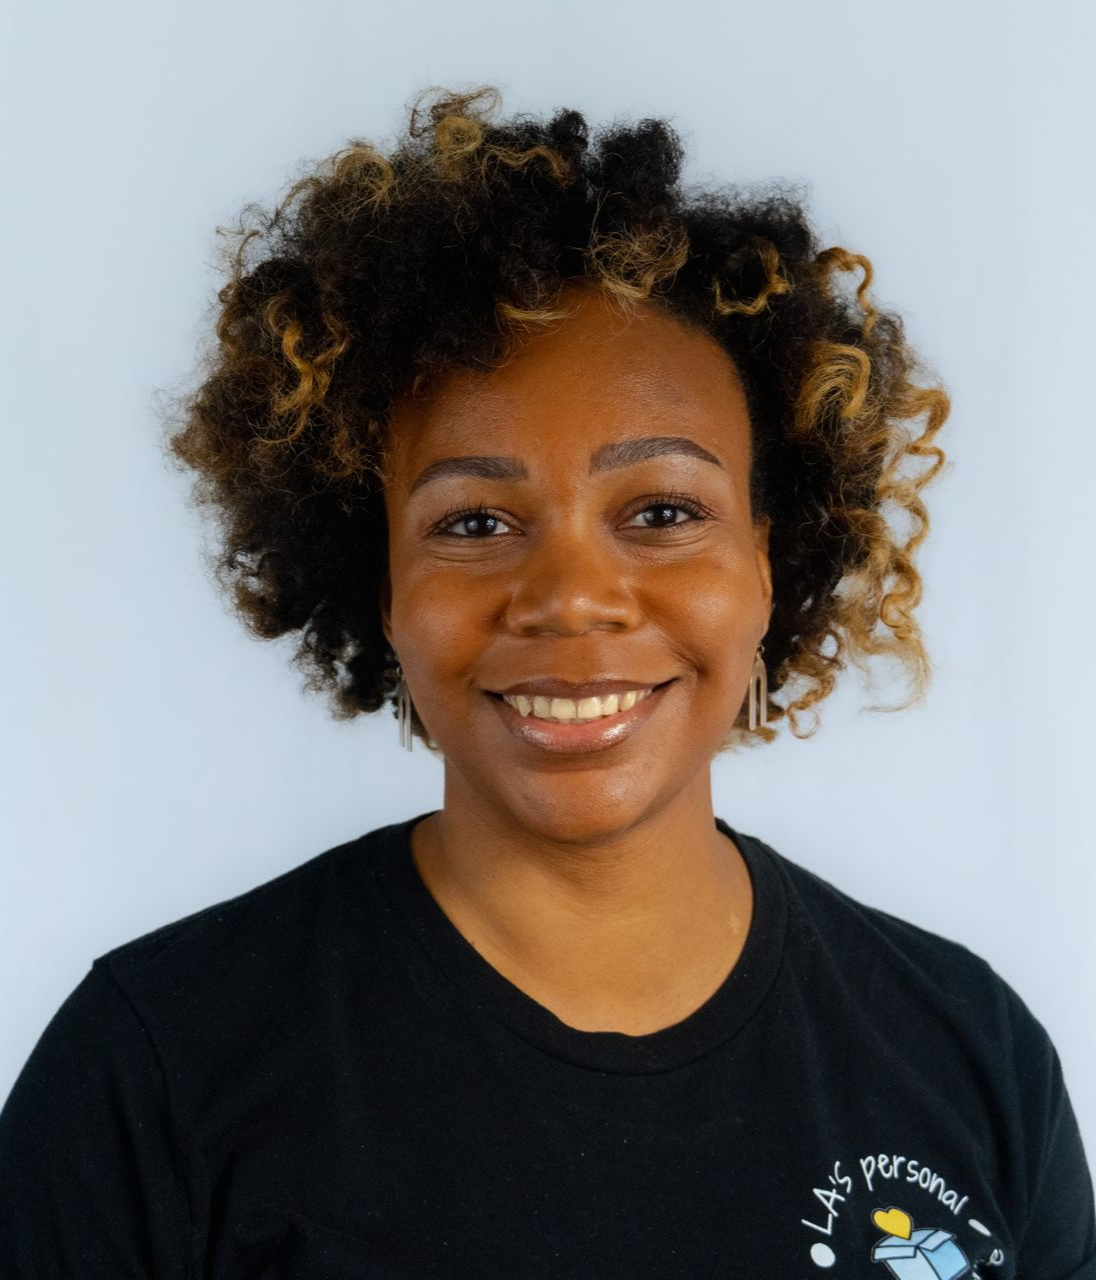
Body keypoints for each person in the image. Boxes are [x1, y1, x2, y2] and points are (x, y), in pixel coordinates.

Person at [1, 85, 1092, 1278]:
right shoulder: (156, 1067)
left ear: (773, 560)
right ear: (378, 588)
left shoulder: (968, 1053)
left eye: (664, 510)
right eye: (473, 520)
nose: (570, 596)